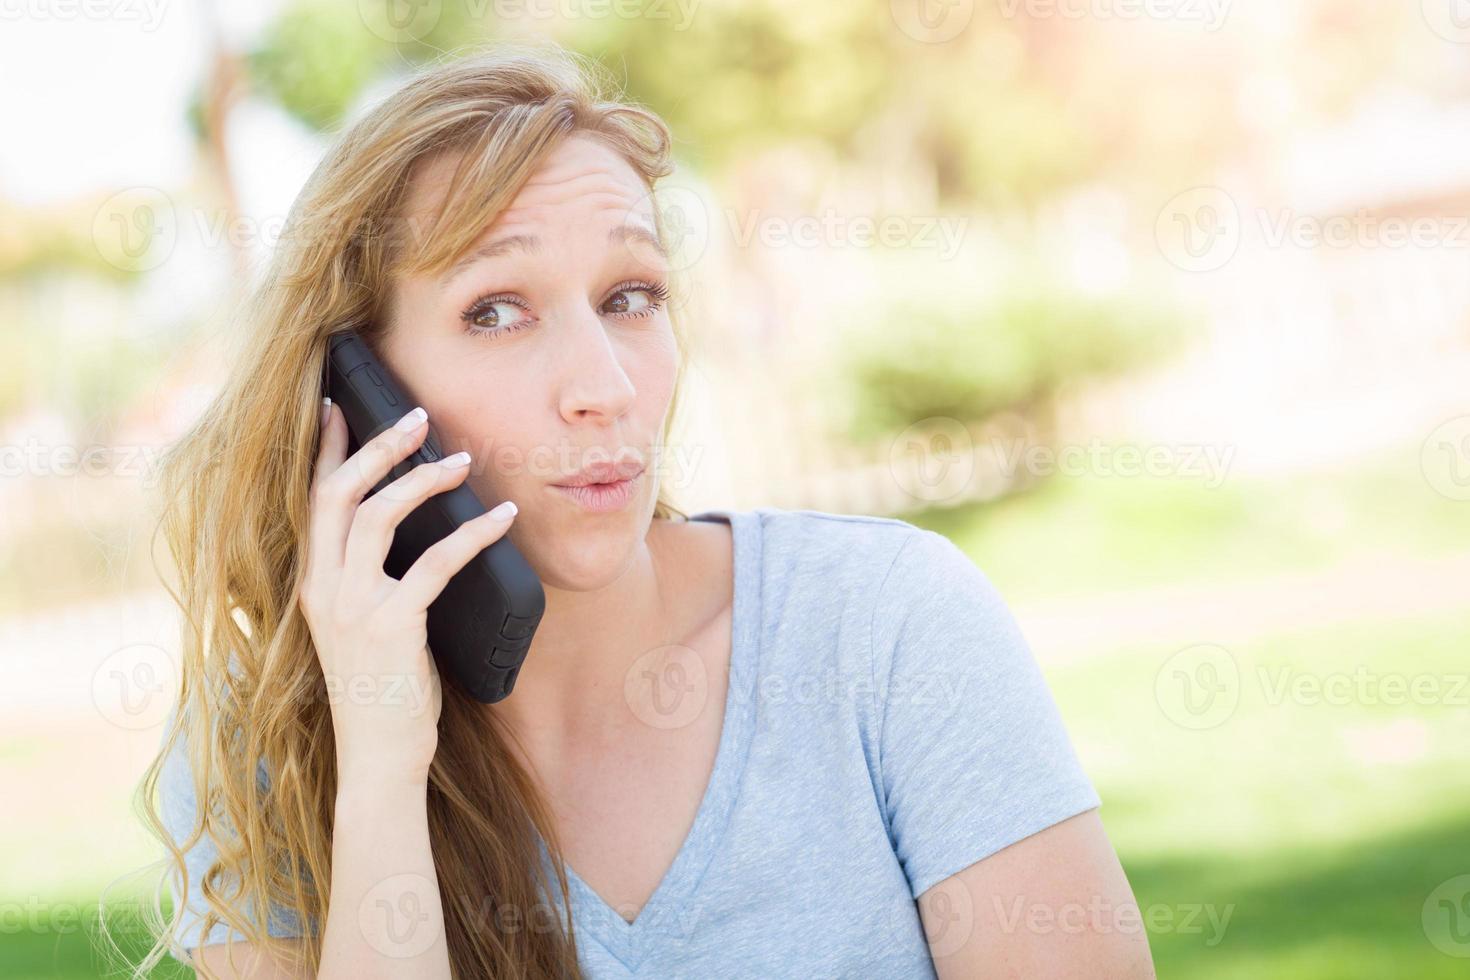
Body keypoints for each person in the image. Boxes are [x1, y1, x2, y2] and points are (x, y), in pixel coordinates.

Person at [135, 42, 1155, 980]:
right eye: (497, 310)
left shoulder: (886, 628)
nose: (604, 384)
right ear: (356, 393)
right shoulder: (269, 742)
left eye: (630, 296)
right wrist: (382, 766)